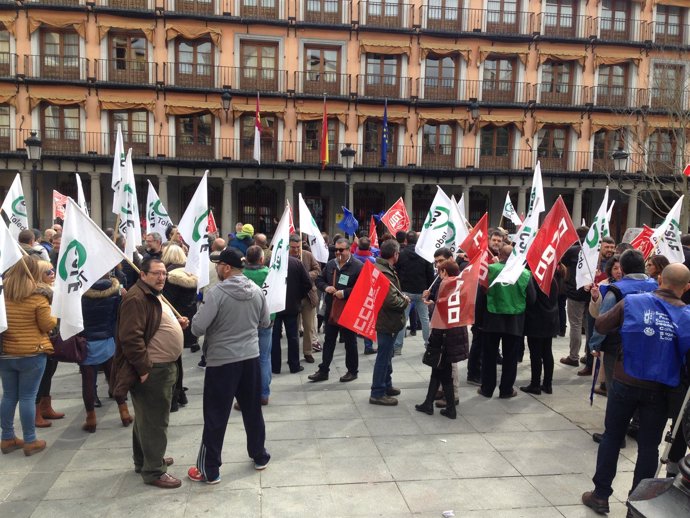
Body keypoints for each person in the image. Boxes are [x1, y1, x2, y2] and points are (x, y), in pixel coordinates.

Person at [582, 263, 690, 515]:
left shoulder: (633, 302)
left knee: (612, 437)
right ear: (686, 288)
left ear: (660, 278)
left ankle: (600, 495)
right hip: (660, 390)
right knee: (648, 447)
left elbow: (600, 325)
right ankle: (637, 503)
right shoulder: (686, 316)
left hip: (624, 381)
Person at [187, 247, 271, 484]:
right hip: (250, 358)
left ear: (226, 268)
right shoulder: (256, 291)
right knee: (252, 410)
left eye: (218, 265)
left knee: (215, 415)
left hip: (222, 362)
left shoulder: (216, 293)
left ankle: (209, 469)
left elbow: (197, 328)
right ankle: (259, 455)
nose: (216, 269)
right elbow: (265, 322)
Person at [111, 258, 189, 489]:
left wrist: (176, 323)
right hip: (153, 369)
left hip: (163, 366)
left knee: (145, 418)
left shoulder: (152, 294)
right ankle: (154, 470)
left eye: (164, 273)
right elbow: (130, 338)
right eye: (156, 273)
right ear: (143, 275)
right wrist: (143, 369)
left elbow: (153, 323)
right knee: (155, 420)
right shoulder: (136, 298)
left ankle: (145, 459)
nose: (161, 277)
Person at [0, 256, 57, 456]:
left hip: (6, 353)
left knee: (8, 395)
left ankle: (6, 438)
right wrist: (55, 312)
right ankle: (30, 440)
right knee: (27, 396)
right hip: (32, 352)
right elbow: (47, 325)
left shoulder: (2, 294)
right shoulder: (37, 296)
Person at [477, 244, 535, 399]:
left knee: (489, 357)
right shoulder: (524, 274)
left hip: (492, 320)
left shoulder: (490, 269)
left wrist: (478, 320)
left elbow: (480, 297)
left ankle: (487, 389)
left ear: (499, 255)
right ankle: (506, 390)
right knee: (510, 358)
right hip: (515, 321)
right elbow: (532, 299)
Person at [415, 259, 469, 419]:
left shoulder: (446, 284)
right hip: (455, 332)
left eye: (440, 271)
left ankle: (451, 408)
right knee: (437, 370)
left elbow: (442, 310)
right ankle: (428, 403)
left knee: (443, 372)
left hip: (444, 335)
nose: (439, 274)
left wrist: (431, 304)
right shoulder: (460, 283)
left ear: (445, 272)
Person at [79, 273, 132, 432]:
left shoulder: (80, 296)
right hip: (108, 340)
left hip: (86, 342)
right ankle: (124, 412)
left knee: (88, 382)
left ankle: (91, 418)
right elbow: (120, 314)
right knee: (114, 378)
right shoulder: (114, 294)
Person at [308, 237, 363, 383]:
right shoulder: (331, 264)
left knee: (350, 342)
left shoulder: (357, 266)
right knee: (329, 340)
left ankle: (352, 371)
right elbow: (319, 279)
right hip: (332, 309)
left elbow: (362, 288)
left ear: (349, 249)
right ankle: (323, 370)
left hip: (348, 309)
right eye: (335, 250)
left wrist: (344, 293)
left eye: (341, 250)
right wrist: (326, 287)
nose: (338, 253)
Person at [370, 239, 409, 406]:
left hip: (386, 319)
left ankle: (386, 385)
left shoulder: (383, 268)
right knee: (383, 356)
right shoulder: (384, 273)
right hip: (386, 320)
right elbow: (391, 301)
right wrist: (405, 302)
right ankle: (377, 392)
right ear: (395, 254)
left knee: (387, 355)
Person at [161, 244, 199, 411]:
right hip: (187, 320)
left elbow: (166, 302)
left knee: (173, 362)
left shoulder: (170, 278)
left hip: (173, 323)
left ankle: (174, 397)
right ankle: (180, 394)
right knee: (178, 360)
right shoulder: (189, 275)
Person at [28, 259, 64, 428]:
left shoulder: (51, 291)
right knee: (41, 377)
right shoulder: (40, 294)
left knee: (49, 373)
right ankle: (36, 414)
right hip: (44, 338)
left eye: (52, 270)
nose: (52, 274)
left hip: (53, 337)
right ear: (38, 275)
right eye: (48, 272)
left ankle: (45, 406)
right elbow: (46, 322)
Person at [520, 269, 561, 395]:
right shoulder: (552, 278)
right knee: (547, 351)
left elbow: (531, 299)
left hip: (536, 320)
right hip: (551, 319)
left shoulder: (534, 278)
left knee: (536, 354)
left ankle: (535, 384)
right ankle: (548, 384)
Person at [394, 231, 435, 354]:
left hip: (405, 291)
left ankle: (397, 347)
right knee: (424, 319)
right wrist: (429, 290)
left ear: (406, 241)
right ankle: (428, 345)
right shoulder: (425, 255)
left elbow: (397, 271)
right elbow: (430, 274)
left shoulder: (401, 254)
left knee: (403, 319)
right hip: (422, 291)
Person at [271, 255, 313, 374]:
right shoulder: (296, 263)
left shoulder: (272, 262)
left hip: (276, 305)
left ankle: (275, 367)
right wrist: (298, 296)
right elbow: (307, 283)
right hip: (291, 305)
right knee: (293, 337)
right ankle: (294, 365)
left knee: (275, 337)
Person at [241, 245, 273, 404]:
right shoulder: (270, 274)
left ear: (246, 259)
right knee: (264, 358)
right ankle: (263, 394)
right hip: (266, 320)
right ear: (262, 259)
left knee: (245, 359)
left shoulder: (240, 274)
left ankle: (245, 395)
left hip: (245, 321)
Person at [560, 227, 592, 367]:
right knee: (588, 325)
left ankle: (574, 356)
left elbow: (563, 264)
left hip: (575, 291)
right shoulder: (594, 250)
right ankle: (588, 354)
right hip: (591, 293)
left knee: (576, 325)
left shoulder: (573, 250)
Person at [288, 234, 322, 363]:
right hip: (291, 297)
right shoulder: (284, 256)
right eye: (293, 247)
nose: (296, 250)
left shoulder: (307, 255)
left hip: (308, 297)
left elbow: (317, 269)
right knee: (293, 328)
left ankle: (308, 352)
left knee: (309, 327)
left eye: (298, 247)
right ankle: (294, 354)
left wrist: (306, 276)